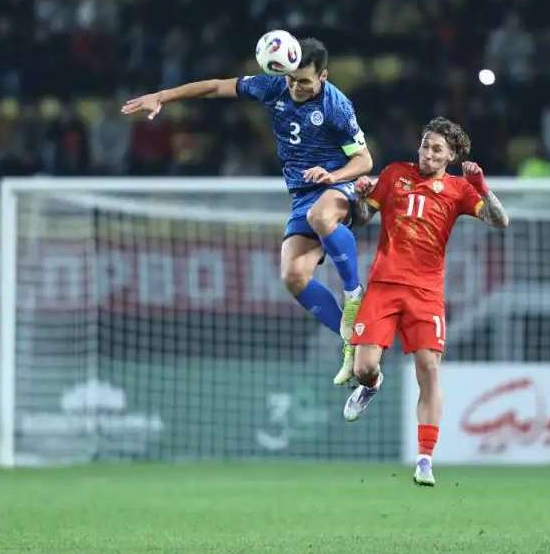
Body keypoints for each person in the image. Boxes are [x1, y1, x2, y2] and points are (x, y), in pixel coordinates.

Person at [122, 38, 372, 383]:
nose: (295, 87)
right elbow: (215, 87)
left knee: (320, 215)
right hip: (302, 195)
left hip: (338, 185)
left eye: (304, 81)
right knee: (293, 277)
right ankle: (353, 342)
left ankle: (354, 294)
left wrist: (334, 176)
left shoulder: (336, 105)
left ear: (323, 76)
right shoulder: (273, 87)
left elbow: (364, 160)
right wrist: (163, 96)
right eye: (291, 79)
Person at [341, 117, 509, 486]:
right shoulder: (394, 174)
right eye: (425, 145)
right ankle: (371, 385)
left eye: (436, 149)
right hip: (384, 285)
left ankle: (424, 460)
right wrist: (359, 196)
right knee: (364, 368)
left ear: (450, 156)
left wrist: (482, 186)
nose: (428, 153)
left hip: (426, 292)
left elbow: (500, 221)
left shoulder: (459, 190)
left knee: (428, 368)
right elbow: (363, 218)